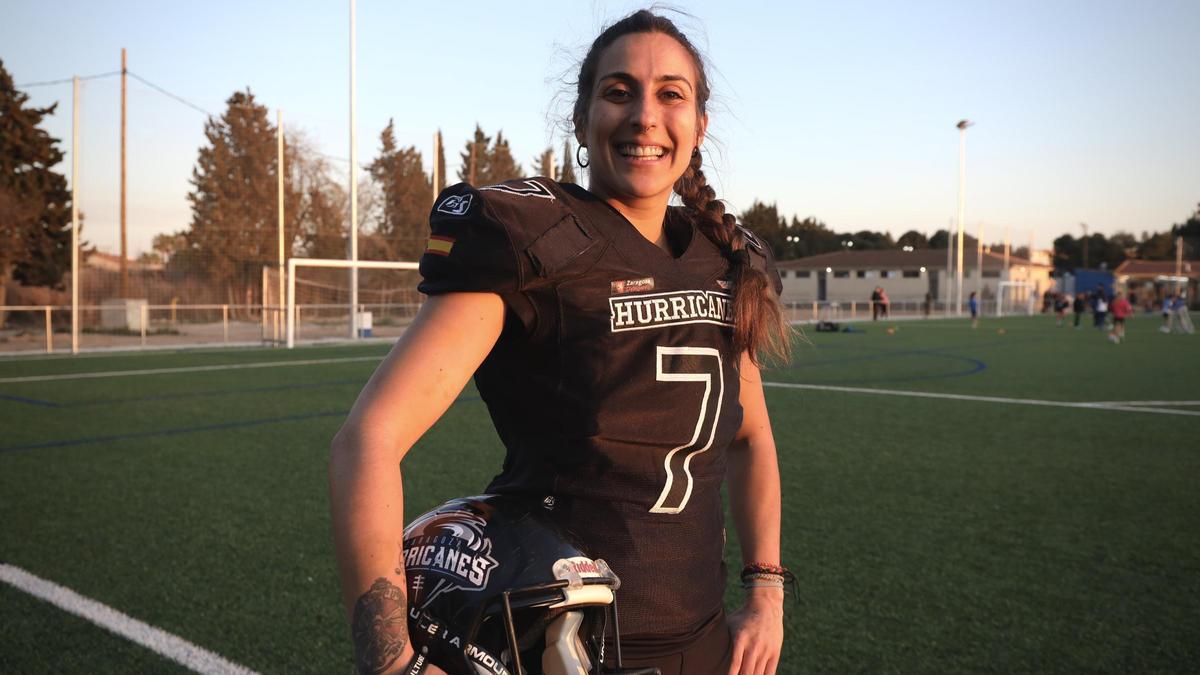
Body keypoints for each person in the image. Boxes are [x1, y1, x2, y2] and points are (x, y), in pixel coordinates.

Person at [329, 10, 790, 675]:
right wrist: (393, 661)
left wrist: (767, 590)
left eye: (670, 93)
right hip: (560, 646)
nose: (644, 116)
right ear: (581, 120)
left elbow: (752, 439)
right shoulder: (532, 239)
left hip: (706, 641)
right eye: (618, 90)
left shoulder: (722, 256)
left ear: (699, 125)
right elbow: (367, 439)